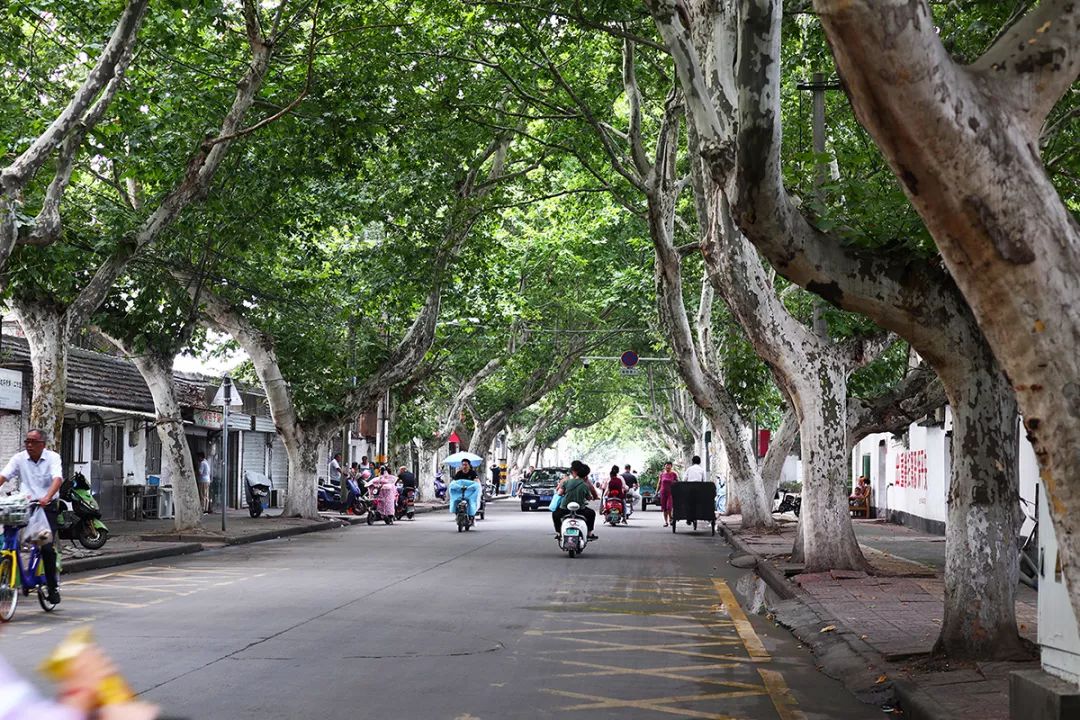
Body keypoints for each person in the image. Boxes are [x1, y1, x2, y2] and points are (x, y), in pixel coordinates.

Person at [0, 429, 63, 604]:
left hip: (45, 507)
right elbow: (4, 476)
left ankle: (52, 587)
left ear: (43, 444)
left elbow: (57, 479)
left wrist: (47, 497)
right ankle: (10, 570)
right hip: (24, 507)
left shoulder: (53, 458)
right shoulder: (19, 458)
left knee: (45, 547)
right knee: (9, 541)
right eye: (27, 441)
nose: (29, 445)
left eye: (33, 442)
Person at [552, 460, 599, 540]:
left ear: (573, 471)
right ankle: (589, 533)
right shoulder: (585, 483)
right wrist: (592, 497)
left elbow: (559, 493)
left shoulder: (566, 481)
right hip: (580, 509)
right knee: (591, 513)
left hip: (565, 508)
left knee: (555, 514)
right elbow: (589, 496)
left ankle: (559, 533)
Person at [657, 461, 679, 527]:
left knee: (669, 507)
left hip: (671, 492)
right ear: (664, 466)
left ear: (671, 466)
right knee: (664, 508)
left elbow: (677, 482)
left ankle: (671, 519)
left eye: (669, 465)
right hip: (663, 492)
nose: (668, 466)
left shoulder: (674, 474)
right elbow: (659, 483)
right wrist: (656, 491)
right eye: (666, 465)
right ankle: (666, 522)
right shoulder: (662, 474)